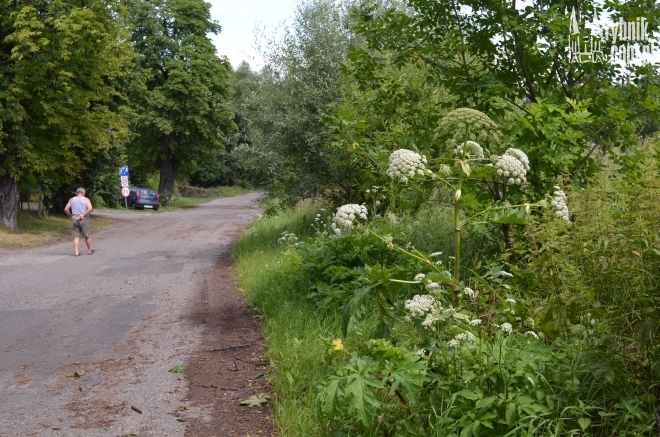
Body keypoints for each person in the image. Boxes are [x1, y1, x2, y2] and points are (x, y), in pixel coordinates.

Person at [64, 188, 94, 256]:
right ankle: (89, 250)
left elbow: (66, 209)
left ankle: (76, 252)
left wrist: (71, 216)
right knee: (87, 235)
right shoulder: (86, 199)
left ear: (76, 193)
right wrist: (83, 214)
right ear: (84, 193)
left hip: (74, 218)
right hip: (84, 218)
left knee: (76, 236)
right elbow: (90, 208)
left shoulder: (71, 199)